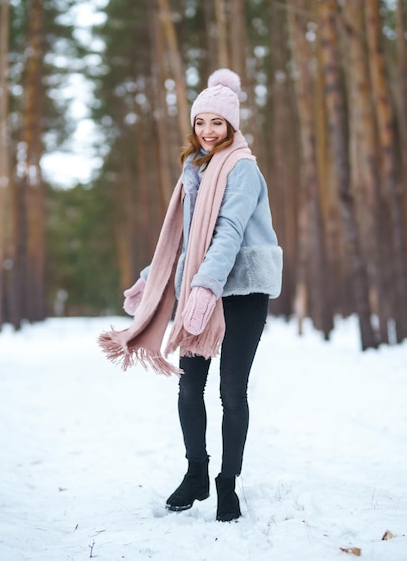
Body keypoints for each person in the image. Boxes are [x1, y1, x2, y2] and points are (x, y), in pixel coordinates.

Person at [99, 68, 283, 522]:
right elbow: (184, 239)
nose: (207, 131)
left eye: (217, 123)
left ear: (232, 126)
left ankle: (227, 485)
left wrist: (203, 287)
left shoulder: (242, 168)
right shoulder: (195, 169)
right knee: (188, 387)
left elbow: (228, 232)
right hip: (201, 285)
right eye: (201, 122)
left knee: (232, 392)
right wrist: (154, 278)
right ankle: (196, 473)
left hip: (241, 289)